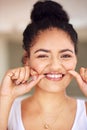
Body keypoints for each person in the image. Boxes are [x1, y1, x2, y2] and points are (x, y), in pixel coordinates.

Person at [0, 0, 87, 130]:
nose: (55, 66)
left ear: (75, 59)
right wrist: (5, 98)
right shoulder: (7, 110)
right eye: (42, 55)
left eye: (65, 55)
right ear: (26, 59)